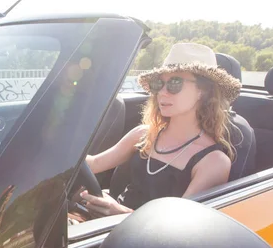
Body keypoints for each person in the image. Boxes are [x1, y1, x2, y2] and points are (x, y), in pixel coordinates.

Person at [80, 42, 242, 216]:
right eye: (159, 84)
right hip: (103, 226)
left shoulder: (213, 162)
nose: (162, 92)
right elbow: (95, 164)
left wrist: (119, 214)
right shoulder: (144, 134)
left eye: (175, 83)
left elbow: (176, 226)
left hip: (143, 240)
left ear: (203, 91)